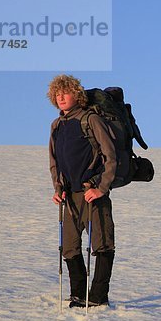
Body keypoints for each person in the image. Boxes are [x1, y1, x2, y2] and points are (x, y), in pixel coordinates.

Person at [48, 74, 117, 308]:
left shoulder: (91, 120)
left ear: (76, 95)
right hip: (70, 195)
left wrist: (101, 188)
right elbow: (54, 161)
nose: (61, 97)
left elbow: (110, 157)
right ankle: (78, 293)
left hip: (92, 192)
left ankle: (98, 297)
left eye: (65, 92)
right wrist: (58, 188)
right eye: (57, 94)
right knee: (69, 246)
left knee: (102, 244)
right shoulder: (57, 125)